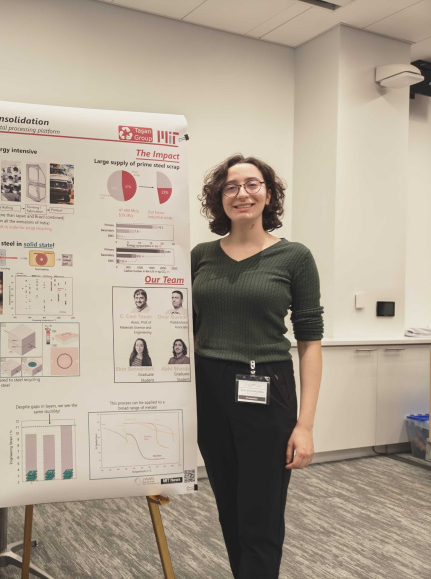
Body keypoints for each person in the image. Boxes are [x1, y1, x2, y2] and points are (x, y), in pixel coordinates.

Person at [191, 154, 323, 579]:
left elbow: (309, 342)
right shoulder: (200, 256)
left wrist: (305, 425)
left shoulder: (295, 257)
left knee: (261, 511)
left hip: (267, 386)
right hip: (209, 388)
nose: (241, 193)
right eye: (231, 187)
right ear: (219, 198)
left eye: (252, 184)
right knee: (228, 506)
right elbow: (187, 330)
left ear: (268, 194)